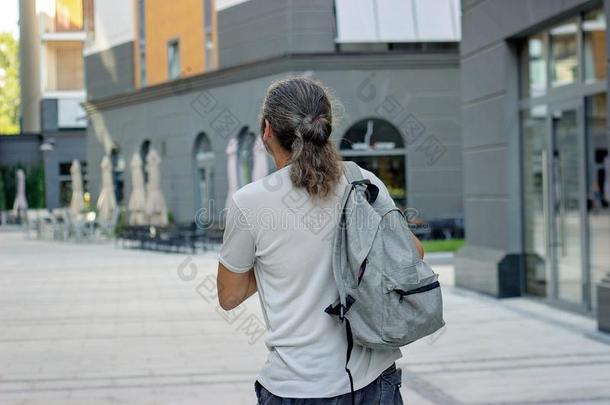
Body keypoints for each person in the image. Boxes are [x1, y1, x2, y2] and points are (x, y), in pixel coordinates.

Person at [217, 77, 424, 404]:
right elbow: (414, 252)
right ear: (325, 125)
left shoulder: (249, 202)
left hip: (296, 387)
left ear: (267, 129)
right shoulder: (363, 181)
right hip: (373, 381)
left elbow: (229, 296)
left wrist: (275, 263)